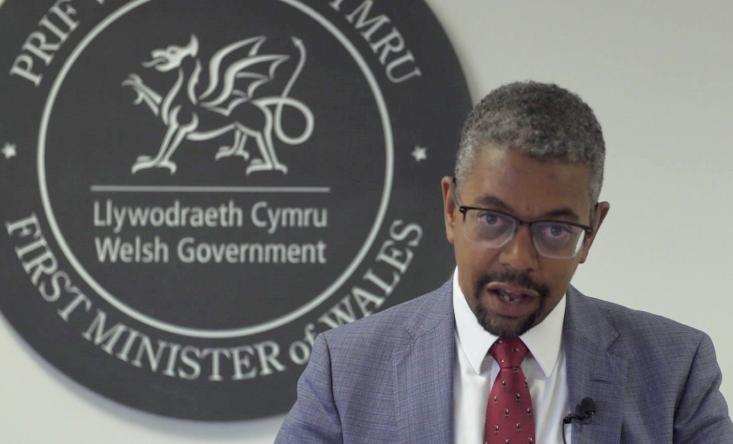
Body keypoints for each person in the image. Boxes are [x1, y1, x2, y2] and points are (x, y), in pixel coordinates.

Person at [274, 82, 733, 443]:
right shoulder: (346, 369)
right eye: (493, 219)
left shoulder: (676, 371)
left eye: (555, 230)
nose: (518, 258)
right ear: (452, 209)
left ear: (592, 231)